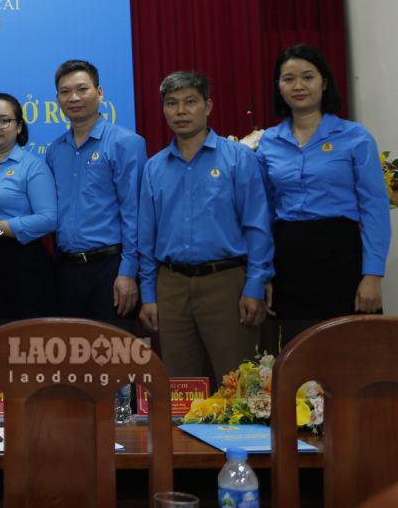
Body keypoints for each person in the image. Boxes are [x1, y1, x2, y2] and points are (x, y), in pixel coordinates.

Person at [137, 71, 273, 380]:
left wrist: (255, 285)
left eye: (190, 102)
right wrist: (148, 293)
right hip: (171, 286)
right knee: (181, 386)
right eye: (172, 103)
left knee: (238, 384)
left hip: (226, 283)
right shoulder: (154, 167)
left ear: (208, 106)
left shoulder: (238, 159)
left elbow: (258, 226)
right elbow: (146, 237)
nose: (181, 111)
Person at [256, 44, 389, 333]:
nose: (298, 86)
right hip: (288, 259)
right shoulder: (268, 142)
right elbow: (263, 214)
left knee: (352, 354)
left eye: (308, 76)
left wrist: (373, 274)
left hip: (341, 255)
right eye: (288, 79)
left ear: (324, 82)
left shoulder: (355, 137)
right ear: (278, 86)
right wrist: (262, 275)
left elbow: (375, 208)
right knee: (295, 357)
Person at [45, 60, 145, 327]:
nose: (74, 97)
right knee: (70, 359)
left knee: (112, 360)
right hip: (66, 270)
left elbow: (134, 213)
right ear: (58, 99)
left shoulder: (126, 143)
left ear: (99, 93)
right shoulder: (55, 151)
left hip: (110, 269)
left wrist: (128, 272)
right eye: (65, 92)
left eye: (82, 89)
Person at [0, 92, 58, 331]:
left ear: (19, 126)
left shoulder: (32, 166)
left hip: (21, 266)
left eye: (4, 120)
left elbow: (49, 219)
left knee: (22, 346)